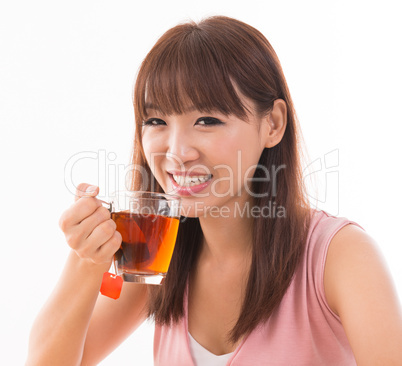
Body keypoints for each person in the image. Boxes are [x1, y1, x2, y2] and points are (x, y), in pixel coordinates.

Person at [27, 16, 402, 366]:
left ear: (272, 124)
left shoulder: (340, 256)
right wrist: (87, 260)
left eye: (207, 120)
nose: (177, 152)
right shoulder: (156, 252)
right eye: (156, 120)